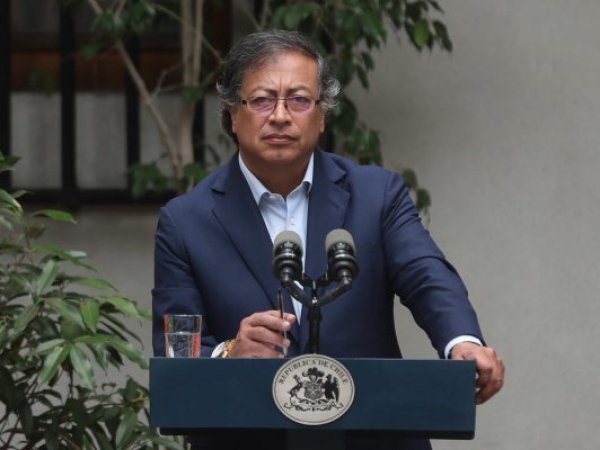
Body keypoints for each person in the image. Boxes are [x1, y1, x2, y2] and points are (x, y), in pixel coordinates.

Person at [152, 29, 504, 450]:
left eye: (299, 100)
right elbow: (176, 348)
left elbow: (426, 275)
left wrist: (462, 342)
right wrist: (230, 353)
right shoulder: (185, 221)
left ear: (321, 116)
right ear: (232, 114)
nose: (280, 116)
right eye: (262, 100)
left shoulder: (377, 195)